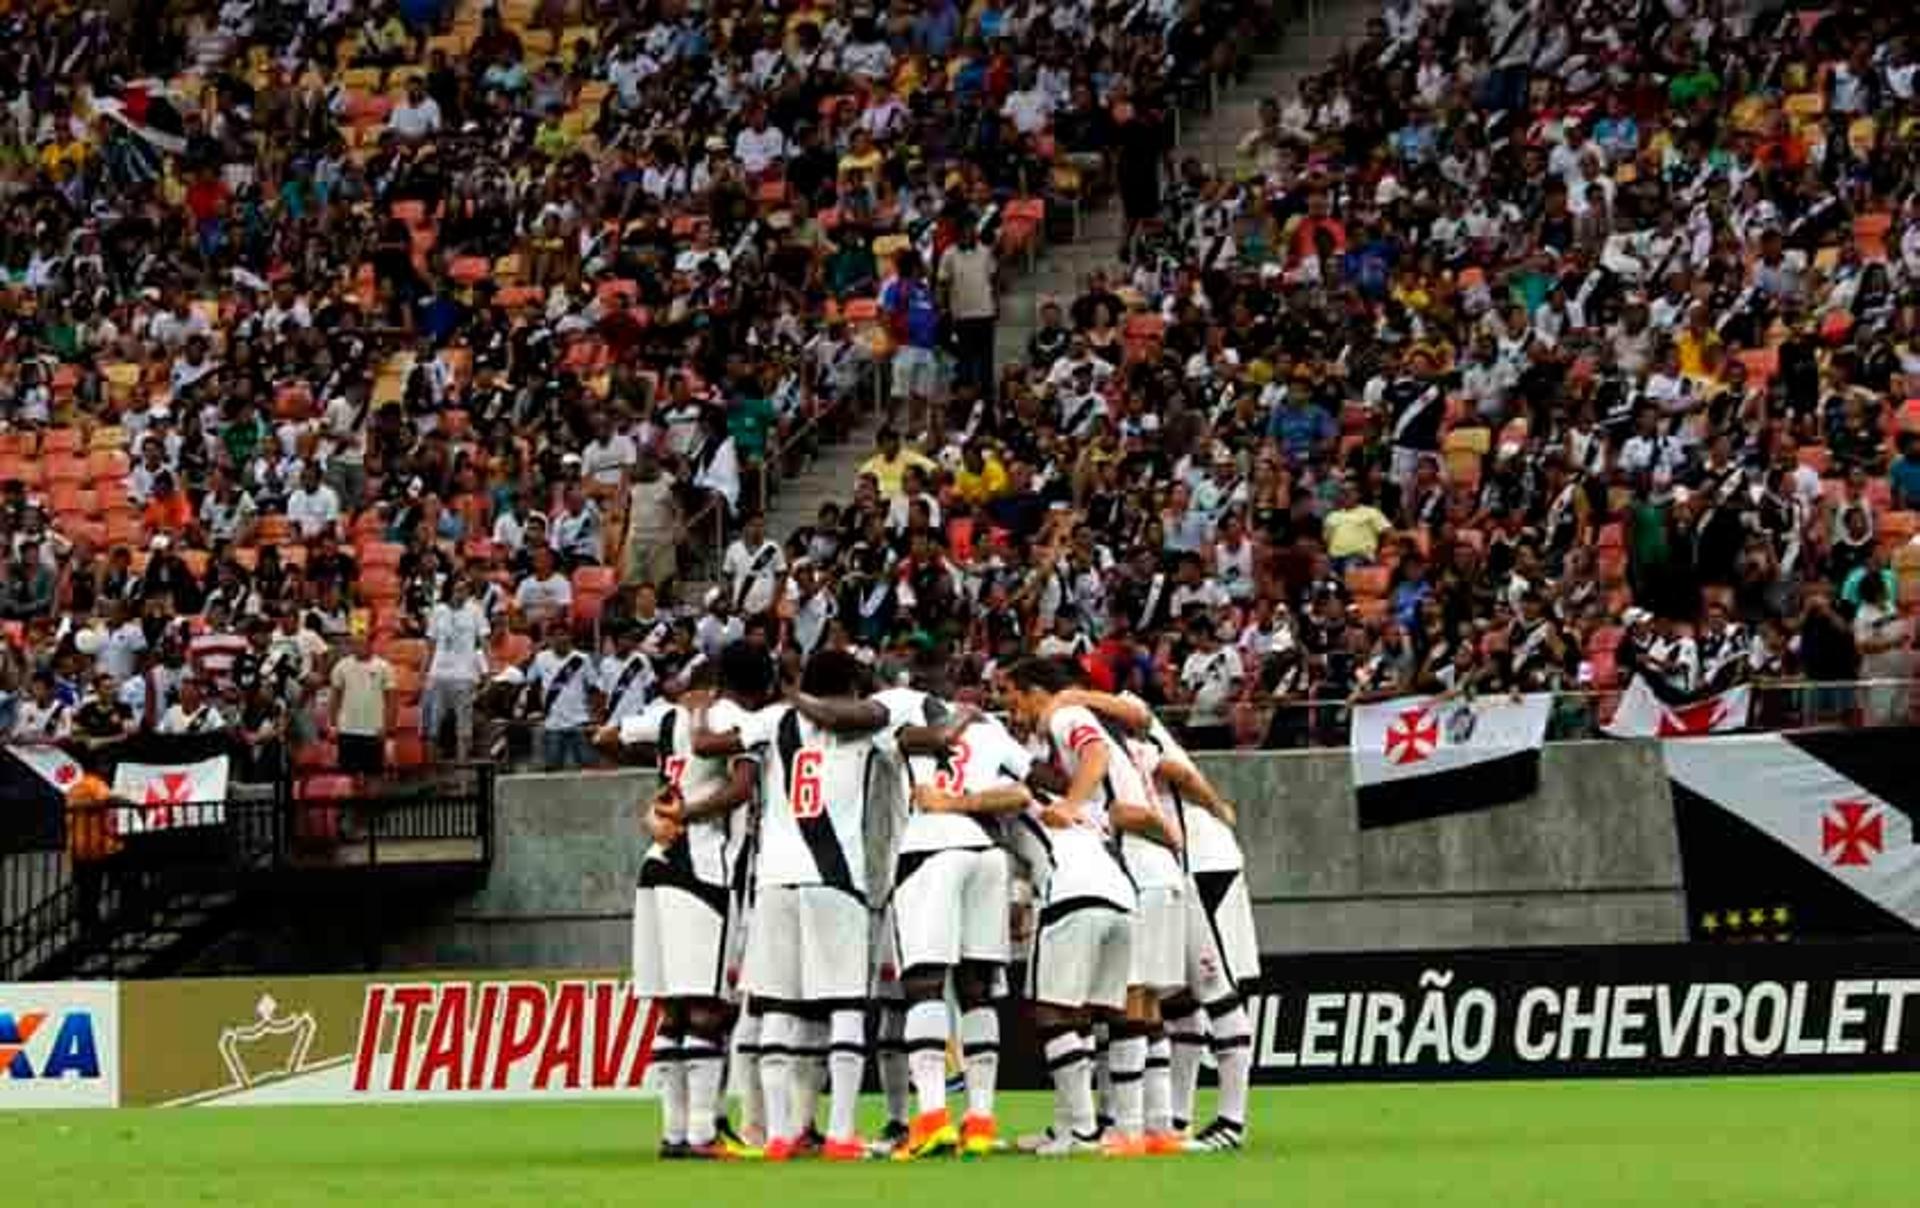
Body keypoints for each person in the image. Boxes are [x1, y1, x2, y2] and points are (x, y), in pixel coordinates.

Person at [694, 649, 900, 1162]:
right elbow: (854, 715)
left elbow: (705, 745)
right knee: (846, 1006)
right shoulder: (866, 720)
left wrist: (700, 707)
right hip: (834, 879)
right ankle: (840, 1134)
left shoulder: (771, 720)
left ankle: (781, 1135)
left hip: (774, 882)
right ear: (853, 686)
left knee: (779, 1010)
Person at [1003, 656, 1182, 1157]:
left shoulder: (1064, 715)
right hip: (1127, 870)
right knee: (1132, 1003)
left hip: (1120, 867)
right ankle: (1142, 1126)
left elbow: (1096, 754)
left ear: (1034, 690)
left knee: (1100, 1004)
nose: (1009, 707)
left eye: (1011, 694)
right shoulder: (1100, 726)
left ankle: (1111, 1128)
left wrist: (1072, 804)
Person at [604, 642, 776, 1161]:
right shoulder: (740, 722)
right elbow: (742, 788)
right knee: (705, 1005)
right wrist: (689, 811)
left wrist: (662, 786)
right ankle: (703, 1133)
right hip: (704, 869)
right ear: (762, 683)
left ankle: (674, 1133)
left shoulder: (670, 715)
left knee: (671, 1010)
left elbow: (605, 736)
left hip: (655, 863)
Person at [1072, 689, 1258, 1151]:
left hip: (1205, 862)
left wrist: (1216, 807)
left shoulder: (1134, 736)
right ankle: (1176, 1118)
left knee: (1216, 990)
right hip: (1176, 869)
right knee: (1177, 998)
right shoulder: (1117, 745)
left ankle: (1233, 1121)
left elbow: (1176, 770)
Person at [425, 576, 490, 760]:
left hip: (465, 676)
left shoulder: (476, 610)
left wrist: (488, 671)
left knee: (463, 729)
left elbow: (484, 643)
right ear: (450, 591)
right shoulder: (438, 611)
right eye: (458, 589)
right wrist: (425, 673)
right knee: (433, 727)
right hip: (438, 675)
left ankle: (462, 775)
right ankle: (433, 772)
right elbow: (430, 644)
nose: (462, 593)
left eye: (465, 590)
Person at [526, 626, 598, 771]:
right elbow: (530, 681)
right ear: (550, 639)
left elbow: (594, 688)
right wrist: (536, 710)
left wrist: (593, 714)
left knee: (587, 767)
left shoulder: (582, 658)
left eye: (565, 635)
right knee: (553, 768)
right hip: (553, 723)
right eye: (557, 635)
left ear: (570, 637)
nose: (562, 639)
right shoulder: (541, 658)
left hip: (579, 721)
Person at [329, 631, 394, 776]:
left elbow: (391, 701)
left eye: (363, 643)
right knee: (346, 776)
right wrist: (332, 724)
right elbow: (334, 698)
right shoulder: (341, 666)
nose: (359, 647)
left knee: (373, 776)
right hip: (347, 730)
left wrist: (387, 726)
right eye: (355, 644)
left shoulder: (384, 667)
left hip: (373, 730)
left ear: (371, 645)